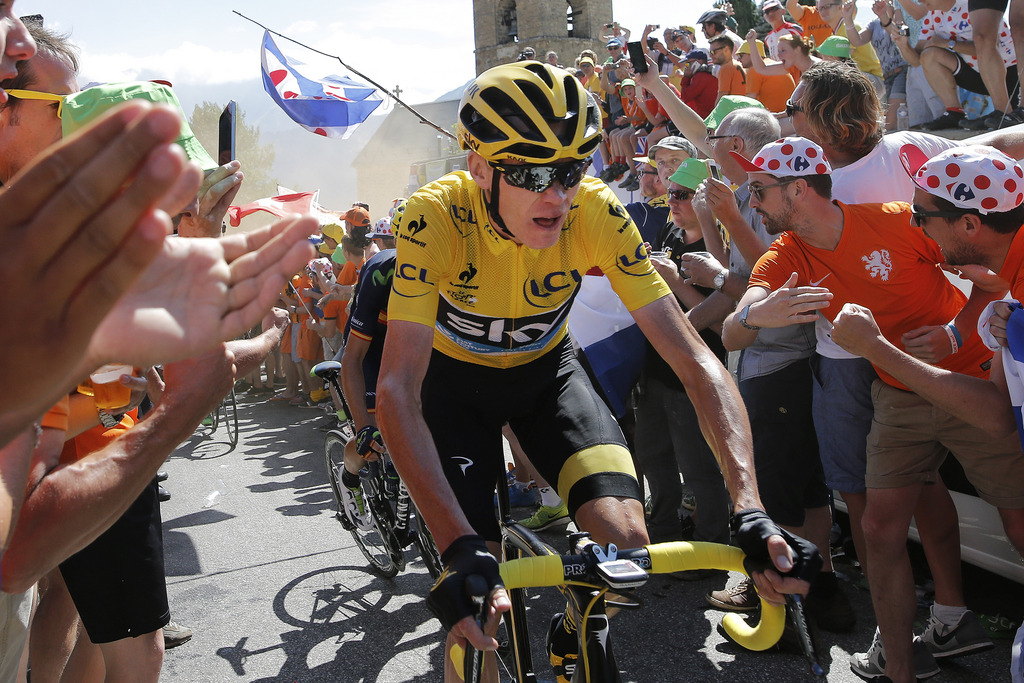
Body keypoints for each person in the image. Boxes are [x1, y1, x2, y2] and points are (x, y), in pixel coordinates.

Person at [375, 60, 819, 683]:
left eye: (571, 169)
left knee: (628, 546)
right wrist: (455, 546)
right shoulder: (435, 218)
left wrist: (749, 506)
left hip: (544, 378)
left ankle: (574, 626)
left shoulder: (597, 212)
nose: (556, 195)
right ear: (478, 169)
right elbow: (396, 385)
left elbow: (693, 358)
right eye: (531, 173)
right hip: (453, 392)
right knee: (479, 604)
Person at [722, 137, 1015, 682]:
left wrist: (954, 333)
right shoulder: (785, 253)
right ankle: (901, 668)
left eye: (760, 191)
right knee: (880, 528)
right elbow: (734, 327)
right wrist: (764, 313)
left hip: (965, 381)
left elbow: (994, 278)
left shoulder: (898, 220)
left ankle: (953, 623)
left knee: (1018, 519)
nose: (751, 202)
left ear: (800, 189)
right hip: (896, 393)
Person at [826, 143, 1024, 683]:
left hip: (959, 396)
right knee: (881, 523)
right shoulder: (1009, 268)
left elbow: (997, 416)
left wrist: (878, 349)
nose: (915, 225)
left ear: (968, 225)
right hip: (924, 398)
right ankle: (901, 668)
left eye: (921, 215)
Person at [911, 0, 1019, 131]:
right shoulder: (932, 15)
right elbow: (916, 61)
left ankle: (1002, 111)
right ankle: (954, 113)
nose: (920, 1)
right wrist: (901, 43)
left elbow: (989, 46)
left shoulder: (974, 6)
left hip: (1010, 74)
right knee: (929, 55)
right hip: (979, 75)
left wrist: (948, 43)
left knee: (983, 41)